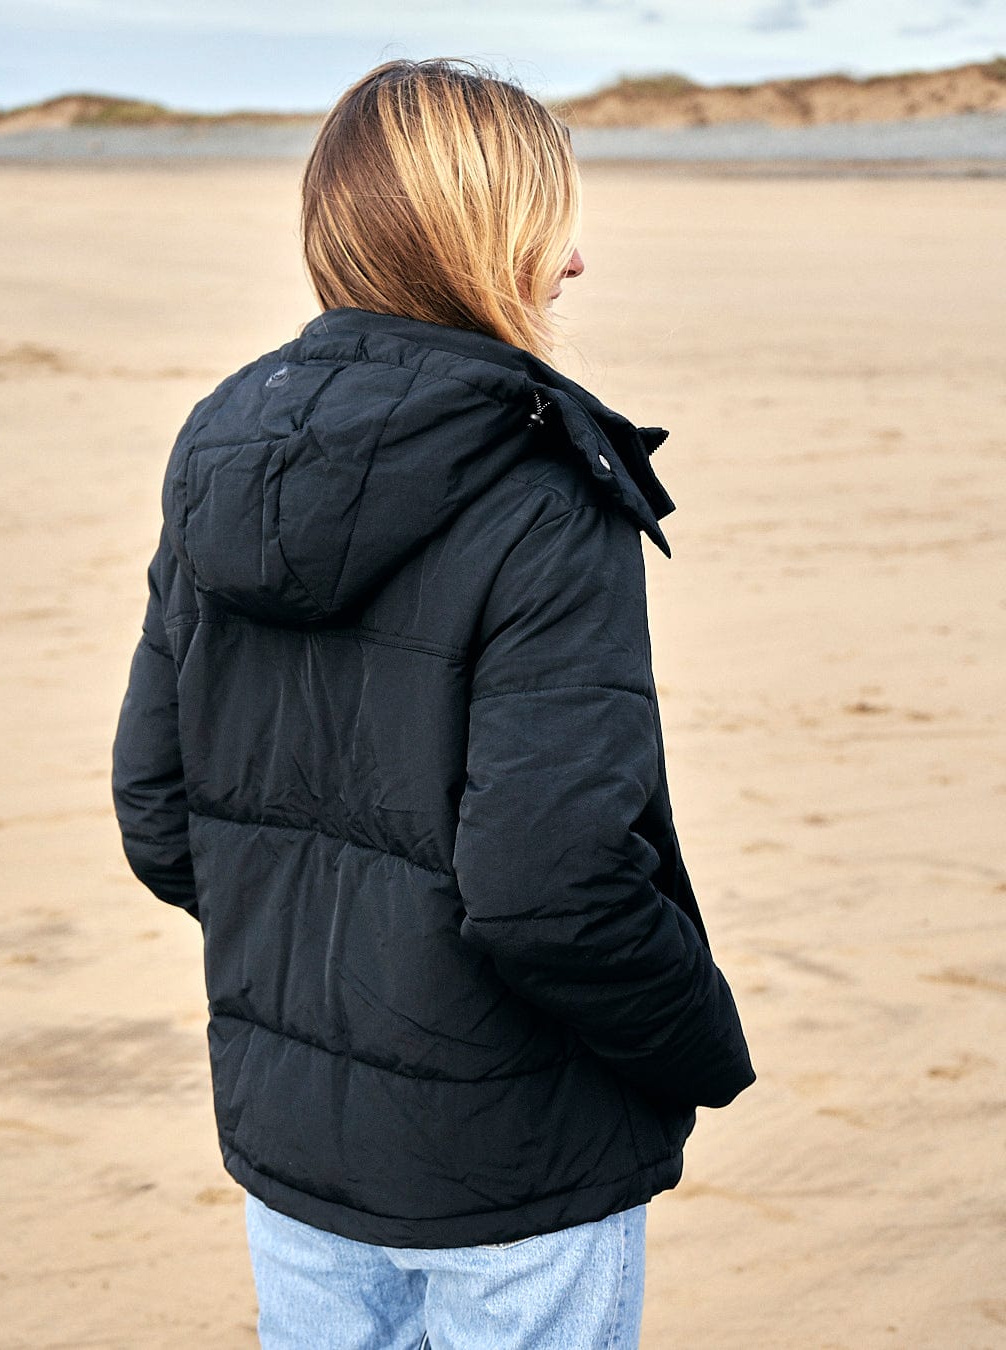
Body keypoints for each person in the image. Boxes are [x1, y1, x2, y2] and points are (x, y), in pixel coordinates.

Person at [111, 57, 755, 1350]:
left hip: (297, 1140)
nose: (573, 262)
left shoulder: (221, 451)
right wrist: (701, 1042)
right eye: (550, 223)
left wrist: (321, 968)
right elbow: (546, 882)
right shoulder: (546, 483)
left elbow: (158, 811)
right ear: (488, 240)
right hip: (511, 1160)